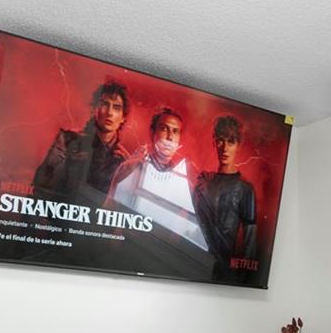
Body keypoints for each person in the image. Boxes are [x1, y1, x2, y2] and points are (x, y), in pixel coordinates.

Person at [108, 107, 208, 250]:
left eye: (175, 131)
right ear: (152, 133)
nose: (170, 137)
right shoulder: (131, 167)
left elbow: (189, 228)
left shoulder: (184, 179)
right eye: (164, 129)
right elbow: (109, 210)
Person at [32, 79, 129, 203]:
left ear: (123, 117)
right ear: (94, 109)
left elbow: (117, 205)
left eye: (117, 108)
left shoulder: (123, 160)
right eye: (104, 104)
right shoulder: (67, 141)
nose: (110, 112)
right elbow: (42, 189)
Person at [193, 114, 260, 283]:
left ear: (238, 145)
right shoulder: (204, 181)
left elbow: (250, 242)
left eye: (231, 141)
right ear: (214, 142)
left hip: (221, 273)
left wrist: (241, 280)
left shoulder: (245, 189)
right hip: (193, 260)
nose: (225, 148)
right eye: (220, 140)